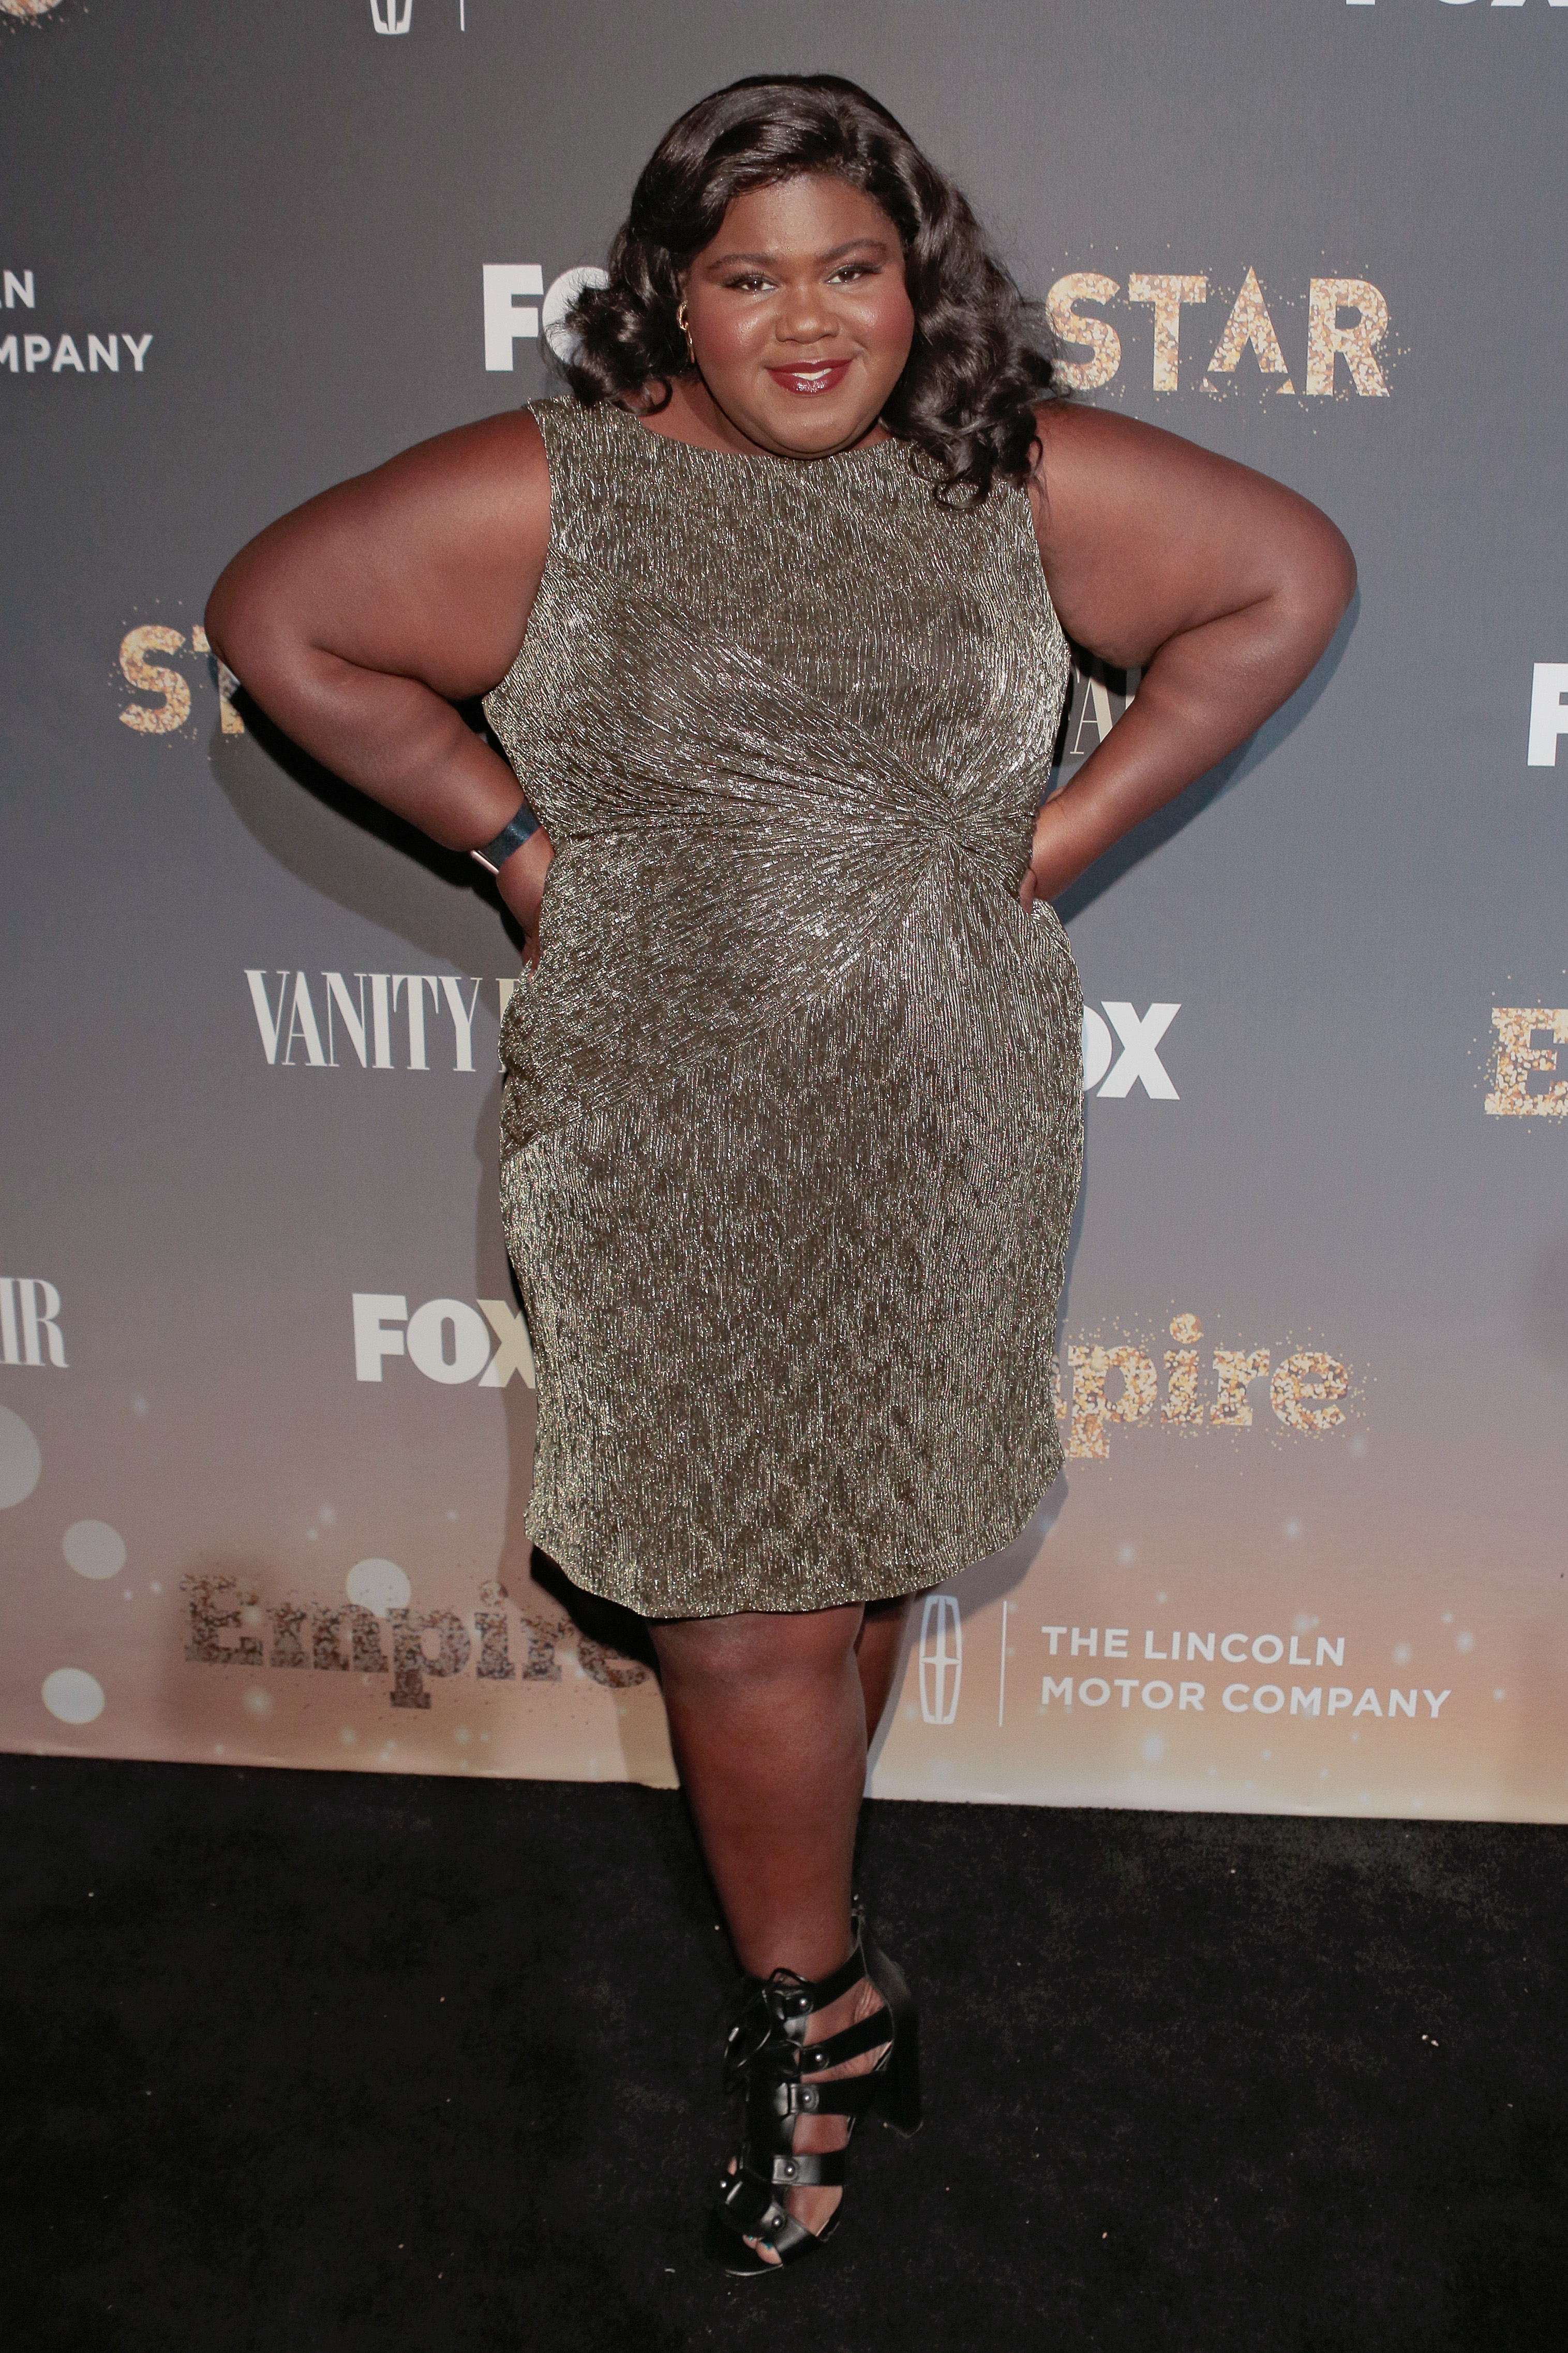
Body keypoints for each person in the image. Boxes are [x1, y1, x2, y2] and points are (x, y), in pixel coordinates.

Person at [206, 73, 1355, 2276]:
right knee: (739, 1601)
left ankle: (818, 1959)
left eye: (852, 266)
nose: (808, 320)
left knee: (852, 1563)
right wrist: (521, 842)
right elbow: (283, 619)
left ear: (917, 281)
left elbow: (1280, 578)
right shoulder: (566, 491)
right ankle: (815, 2013)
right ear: (676, 298)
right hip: (663, 1120)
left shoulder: (1009, 476)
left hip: (939, 1116)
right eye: (751, 278)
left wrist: (1049, 840)